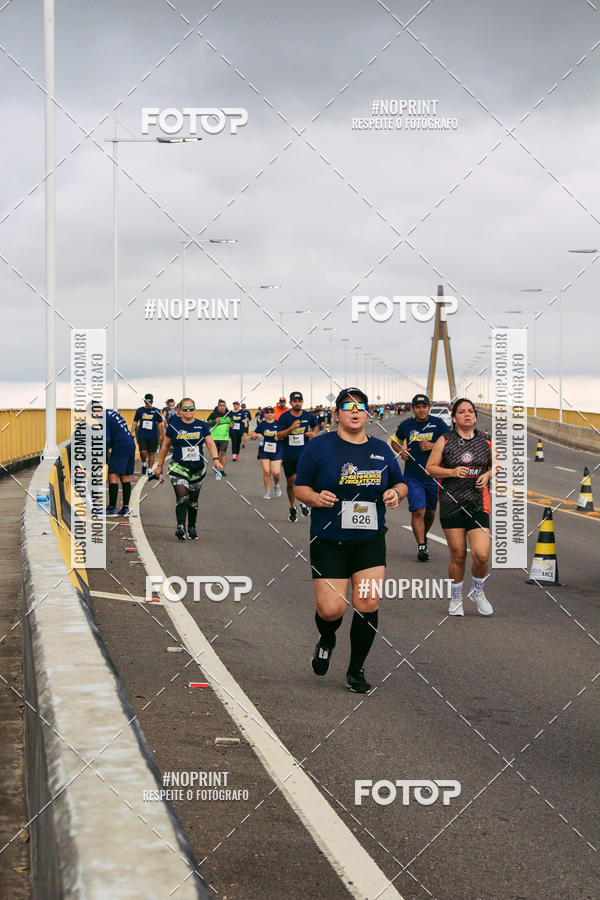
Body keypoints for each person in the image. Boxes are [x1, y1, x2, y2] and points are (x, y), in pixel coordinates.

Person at [295, 387, 407, 693]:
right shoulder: (319, 447)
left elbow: (399, 482)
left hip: (369, 539)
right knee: (332, 610)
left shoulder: (382, 450)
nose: (355, 411)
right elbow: (300, 487)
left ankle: (356, 669)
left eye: (360, 407)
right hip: (329, 539)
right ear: (337, 414)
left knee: (368, 602)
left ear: (367, 413)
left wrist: (395, 493)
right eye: (348, 406)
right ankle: (327, 637)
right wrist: (316, 497)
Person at [426, 398, 494, 617]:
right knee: (457, 553)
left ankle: (477, 591)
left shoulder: (486, 441)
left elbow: (496, 465)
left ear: (475, 415)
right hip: (451, 503)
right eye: (462, 412)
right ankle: (456, 597)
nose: (467, 415)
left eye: (471, 411)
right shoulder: (445, 440)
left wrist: (488, 474)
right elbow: (431, 468)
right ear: (454, 417)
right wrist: (452, 472)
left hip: (477, 504)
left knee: (482, 554)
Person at [390, 393, 449, 562]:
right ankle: (422, 546)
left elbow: (450, 442)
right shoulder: (406, 425)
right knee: (418, 510)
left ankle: (423, 534)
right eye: (418, 407)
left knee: (430, 512)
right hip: (412, 475)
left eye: (424, 406)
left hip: (433, 475)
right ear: (413, 409)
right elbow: (394, 441)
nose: (421, 410)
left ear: (428, 408)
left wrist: (433, 445)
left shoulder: (438, 424)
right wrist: (401, 451)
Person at [154, 398, 223, 540]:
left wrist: (216, 459)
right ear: (179, 410)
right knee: (182, 496)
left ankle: (192, 526)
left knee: (193, 500)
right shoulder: (174, 425)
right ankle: (180, 527)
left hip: (197, 468)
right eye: (185, 409)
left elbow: (210, 443)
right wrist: (159, 465)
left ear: (195, 409)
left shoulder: (202, 425)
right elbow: (165, 446)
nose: (188, 411)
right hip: (178, 466)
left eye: (191, 408)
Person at [276, 391, 318, 522]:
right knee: (291, 482)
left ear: (302, 402)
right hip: (289, 454)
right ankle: (293, 506)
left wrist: (313, 433)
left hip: (304, 453)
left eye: (299, 401)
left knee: (303, 480)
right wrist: (291, 428)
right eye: (294, 401)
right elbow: (279, 435)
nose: (297, 403)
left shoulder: (307, 415)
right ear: (290, 403)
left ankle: (303, 502)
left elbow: (316, 424)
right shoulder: (284, 417)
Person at [250, 406, 282, 498]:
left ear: (274, 413)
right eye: (267, 412)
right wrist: (257, 434)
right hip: (264, 451)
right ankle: (268, 491)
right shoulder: (262, 425)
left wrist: (279, 436)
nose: (270, 414)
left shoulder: (278, 424)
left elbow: (284, 435)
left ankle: (276, 485)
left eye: (271, 412)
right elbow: (252, 436)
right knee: (266, 471)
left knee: (276, 473)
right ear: (264, 414)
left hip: (277, 450)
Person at [133, 393, 164, 475]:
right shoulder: (140, 410)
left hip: (153, 435)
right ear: (145, 402)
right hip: (142, 434)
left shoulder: (156, 410)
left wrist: (161, 434)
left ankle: (150, 469)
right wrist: (131, 432)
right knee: (143, 452)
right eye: (147, 403)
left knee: (151, 453)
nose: (149, 404)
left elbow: (160, 423)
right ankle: (144, 463)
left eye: (150, 403)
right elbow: (135, 421)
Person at [207, 399, 232, 475]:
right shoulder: (213, 414)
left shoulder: (229, 414)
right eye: (220, 406)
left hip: (224, 438)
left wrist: (232, 424)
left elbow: (233, 423)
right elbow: (207, 423)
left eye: (223, 406)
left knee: (223, 453)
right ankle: (217, 466)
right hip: (214, 438)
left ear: (225, 406)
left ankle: (222, 470)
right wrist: (215, 421)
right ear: (218, 406)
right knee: (216, 455)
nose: (222, 407)